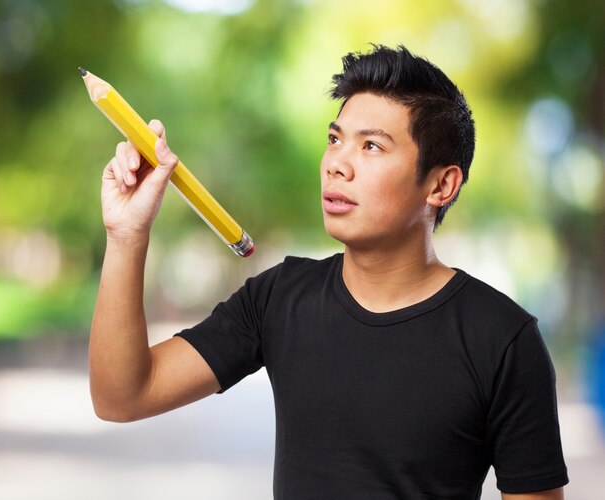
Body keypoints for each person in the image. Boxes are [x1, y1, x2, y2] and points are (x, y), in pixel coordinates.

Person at [89, 44, 569, 499]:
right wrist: (126, 235)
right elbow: (121, 396)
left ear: (441, 185)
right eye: (335, 139)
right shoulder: (279, 298)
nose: (337, 164)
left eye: (372, 147)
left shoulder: (503, 340)